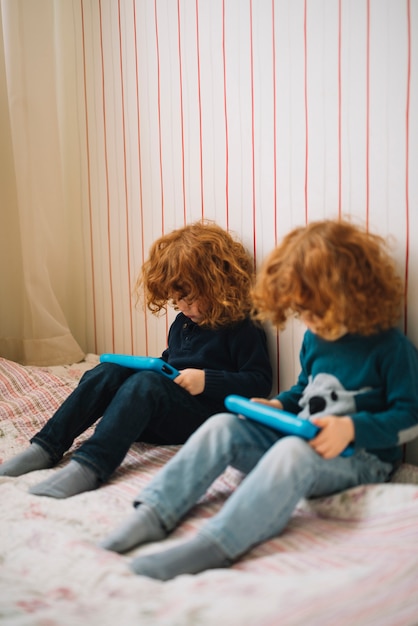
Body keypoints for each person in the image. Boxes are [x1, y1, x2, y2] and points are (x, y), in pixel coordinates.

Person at [99, 218, 418, 581]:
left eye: (317, 312)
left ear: (356, 294)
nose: (310, 323)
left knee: (292, 453)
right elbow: (304, 391)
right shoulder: (316, 340)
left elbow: (410, 419)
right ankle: (155, 513)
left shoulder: (391, 349)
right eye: (303, 313)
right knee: (222, 425)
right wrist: (279, 406)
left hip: (359, 459)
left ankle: (217, 543)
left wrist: (350, 429)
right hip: (302, 439)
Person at [0, 221, 272, 498]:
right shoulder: (182, 323)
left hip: (203, 418)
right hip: (158, 415)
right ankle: (46, 446)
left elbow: (259, 382)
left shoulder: (242, 326)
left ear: (217, 284)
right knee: (107, 371)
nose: (183, 307)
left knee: (146, 384)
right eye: (177, 300)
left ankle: (91, 465)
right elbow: (171, 362)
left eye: (190, 298)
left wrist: (206, 380)